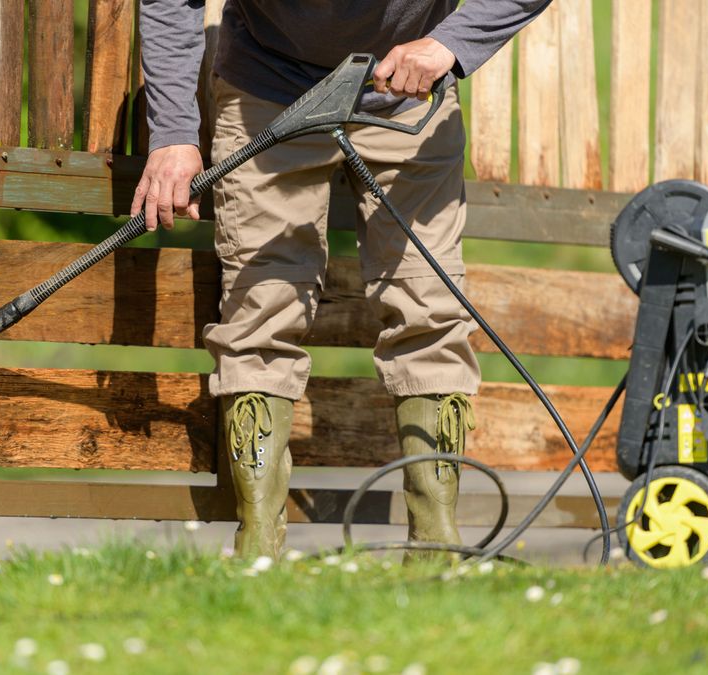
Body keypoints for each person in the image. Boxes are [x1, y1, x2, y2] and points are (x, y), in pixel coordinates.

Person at [135, 1, 552, 558]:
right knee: (261, 310)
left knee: (429, 306)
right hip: (270, 84)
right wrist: (173, 134)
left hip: (408, 94)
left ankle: (436, 544)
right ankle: (259, 546)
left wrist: (449, 44)